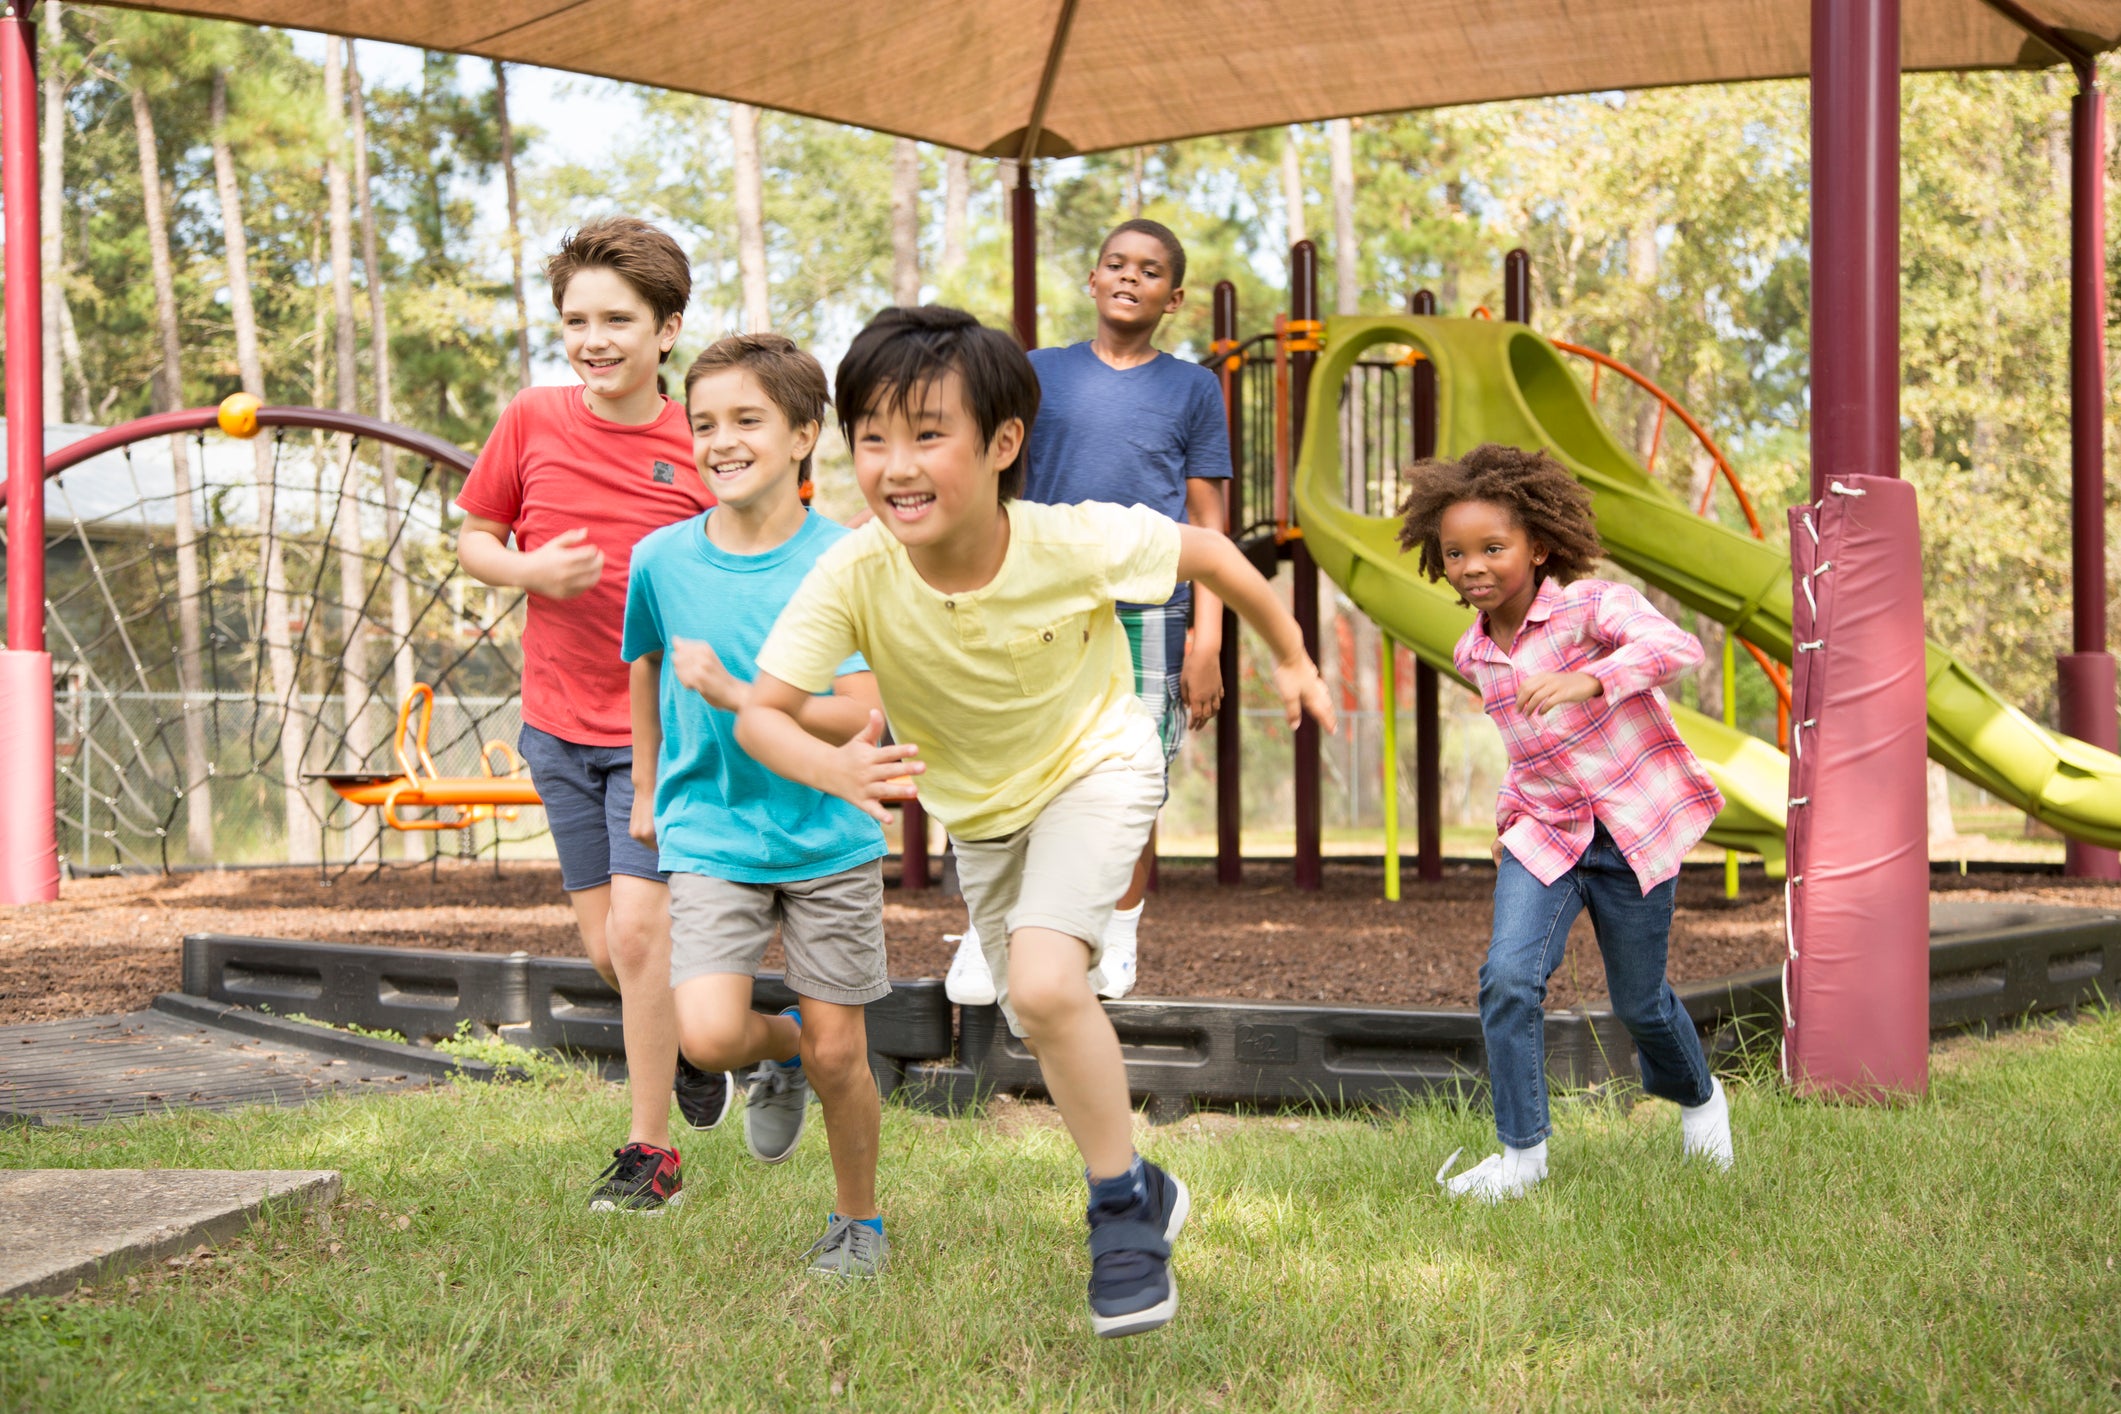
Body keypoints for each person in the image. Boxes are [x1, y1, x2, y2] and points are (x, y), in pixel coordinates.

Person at [737, 306, 1334, 1337]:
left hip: (1097, 765)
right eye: (871, 438)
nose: (896, 465)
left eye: (929, 434)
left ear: (1003, 442)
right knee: (1034, 1008)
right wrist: (831, 764)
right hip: (983, 814)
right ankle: (1144, 1185)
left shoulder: (1070, 538)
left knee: (1051, 982)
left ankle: (1120, 1219)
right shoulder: (855, 571)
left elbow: (1213, 553)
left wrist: (1290, 656)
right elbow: (762, 713)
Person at [455, 216, 729, 1213]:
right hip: (557, 726)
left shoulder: (703, 441)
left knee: (643, 936)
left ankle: (651, 1153)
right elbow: (476, 538)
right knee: (612, 952)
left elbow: (751, 556)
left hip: (663, 734)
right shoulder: (531, 418)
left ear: (668, 330)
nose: (593, 339)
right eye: (577, 320)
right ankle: (696, 1045)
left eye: (618, 320)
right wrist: (529, 570)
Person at [1396, 443, 1735, 1203]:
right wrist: (1508, 820)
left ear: (1537, 547)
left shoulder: (1591, 606)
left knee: (1640, 1003)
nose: (1472, 566)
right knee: (1507, 980)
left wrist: (1591, 678)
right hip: (1545, 832)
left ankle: (1701, 1099)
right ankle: (1522, 1156)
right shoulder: (1473, 653)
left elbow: (1675, 646)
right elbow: (1524, 750)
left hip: (1629, 830)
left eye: (1492, 548)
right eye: (1455, 553)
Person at [622, 333, 893, 1277]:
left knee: (841, 1054)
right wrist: (647, 785)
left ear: (803, 435)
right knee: (705, 1036)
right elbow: (645, 665)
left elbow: (858, 714)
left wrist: (742, 695)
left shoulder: (846, 560)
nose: (721, 441)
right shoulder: (660, 559)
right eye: (704, 424)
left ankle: (858, 1223)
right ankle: (778, 1055)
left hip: (828, 832)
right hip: (711, 827)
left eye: (747, 420)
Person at [944, 218, 1231, 1006]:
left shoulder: (1193, 389)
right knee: (1013, 765)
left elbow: (1207, 523)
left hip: (1148, 610)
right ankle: (991, 932)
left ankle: (1117, 935)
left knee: (1131, 780)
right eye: (1116, 263)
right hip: (1040, 606)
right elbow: (988, 471)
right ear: (1093, 279)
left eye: (1149, 270)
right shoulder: (1039, 372)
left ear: (1173, 298)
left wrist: (1207, 638)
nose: (1129, 277)